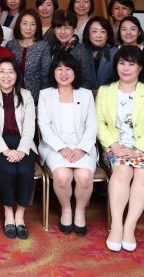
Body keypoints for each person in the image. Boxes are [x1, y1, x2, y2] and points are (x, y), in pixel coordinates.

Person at [96, 46, 144, 252]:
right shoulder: (106, 91)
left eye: (131, 64)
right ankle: (117, 225)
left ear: (140, 67)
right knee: (123, 170)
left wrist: (137, 150)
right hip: (115, 147)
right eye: (122, 63)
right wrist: (113, 145)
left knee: (143, 173)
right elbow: (99, 123)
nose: (126, 68)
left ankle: (130, 226)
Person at [37, 52, 98, 237]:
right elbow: (43, 126)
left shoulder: (86, 94)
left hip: (82, 146)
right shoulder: (45, 94)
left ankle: (79, 211)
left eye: (68, 69)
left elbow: (91, 125)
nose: (64, 73)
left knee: (84, 176)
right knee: (62, 175)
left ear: (75, 72)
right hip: (55, 146)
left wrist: (81, 148)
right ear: (53, 72)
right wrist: (62, 148)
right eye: (59, 69)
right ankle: (66, 210)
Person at [0, 58, 37, 240]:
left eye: (10, 71)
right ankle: (8, 214)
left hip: (23, 141)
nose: (6, 76)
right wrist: (5, 151)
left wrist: (21, 150)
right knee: (8, 169)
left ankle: (20, 215)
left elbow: (29, 127)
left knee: (25, 170)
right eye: (2, 71)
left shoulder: (26, 95)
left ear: (17, 75)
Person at [44, 10, 97, 91]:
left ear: (74, 29)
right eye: (59, 27)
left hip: (73, 98)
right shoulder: (53, 47)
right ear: (54, 30)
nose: (62, 32)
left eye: (67, 27)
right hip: (54, 96)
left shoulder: (80, 51)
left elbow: (88, 82)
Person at [5, 9, 50, 103]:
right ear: (19, 25)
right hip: (12, 95)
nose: (28, 28)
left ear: (37, 27)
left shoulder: (43, 46)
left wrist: (43, 99)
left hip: (35, 97)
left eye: (33, 24)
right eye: (24, 23)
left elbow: (45, 76)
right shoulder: (11, 45)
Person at [83, 16, 115, 88]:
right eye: (94, 31)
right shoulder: (83, 52)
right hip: (87, 95)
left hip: (109, 95)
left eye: (103, 31)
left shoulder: (115, 53)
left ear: (107, 35)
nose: (98, 35)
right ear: (88, 34)